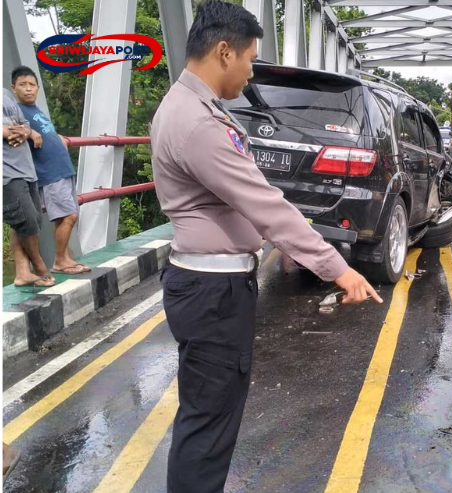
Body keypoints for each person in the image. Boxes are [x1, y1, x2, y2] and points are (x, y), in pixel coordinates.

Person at [150, 2, 382, 492]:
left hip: (207, 286)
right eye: (251, 58)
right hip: (213, 294)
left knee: (206, 417)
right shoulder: (198, 123)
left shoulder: (193, 109)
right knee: (208, 425)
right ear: (223, 51)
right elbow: (266, 205)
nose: (252, 70)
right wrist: (337, 268)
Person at [11, 66, 90, 275]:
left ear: (37, 88)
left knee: (65, 217)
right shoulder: (17, 112)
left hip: (62, 169)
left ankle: (64, 258)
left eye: (32, 85)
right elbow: (13, 131)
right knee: (69, 216)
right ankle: (60, 261)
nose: (28, 89)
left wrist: (57, 137)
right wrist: (29, 132)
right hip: (50, 173)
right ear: (13, 88)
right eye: (22, 85)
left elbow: (45, 133)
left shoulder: (36, 111)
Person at [2, 87, 55, 287]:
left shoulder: (6, 93)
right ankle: (39, 265)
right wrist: (12, 131)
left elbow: (24, 124)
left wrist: (24, 131)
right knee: (27, 221)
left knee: (27, 221)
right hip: (6, 172)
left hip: (25, 168)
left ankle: (22, 273)